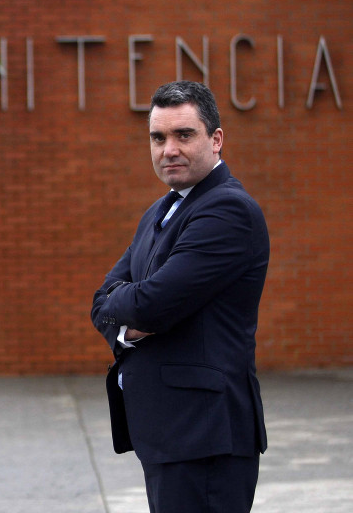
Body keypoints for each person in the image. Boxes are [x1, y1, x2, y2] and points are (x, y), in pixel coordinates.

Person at [90, 80, 269, 512]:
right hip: (171, 434)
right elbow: (101, 302)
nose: (169, 148)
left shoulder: (227, 211)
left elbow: (150, 305)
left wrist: (130, 307)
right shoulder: (161, 210)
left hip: (205, 438)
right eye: (158, 137)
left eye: (183, 135)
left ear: (216, 139)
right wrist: (130, 310)